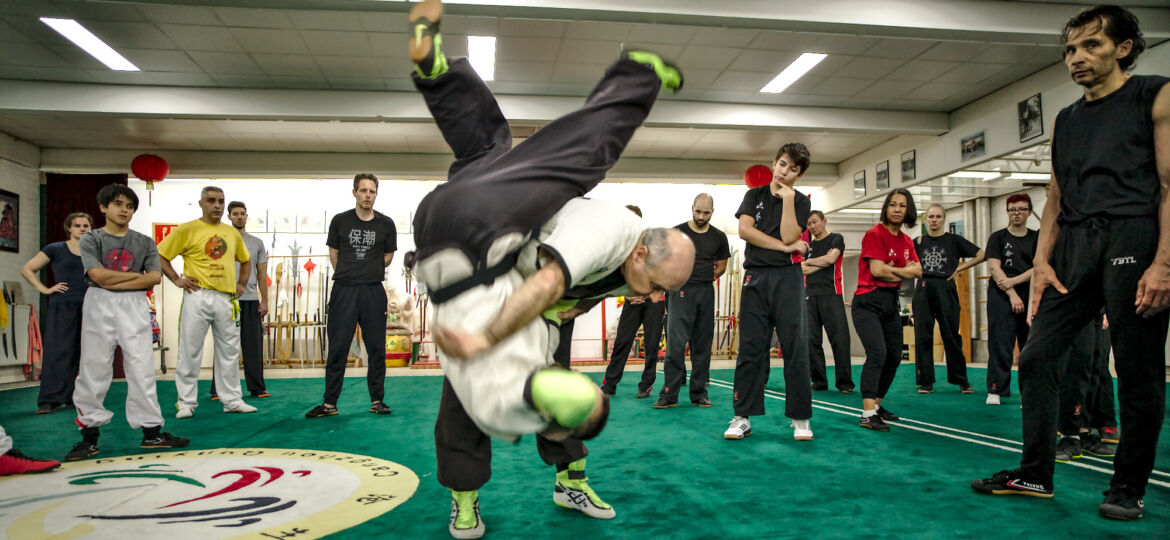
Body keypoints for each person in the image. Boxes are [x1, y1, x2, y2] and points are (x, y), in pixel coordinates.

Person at [401, 2, 687, 537]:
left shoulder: (626, 265)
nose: (651, 298)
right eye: (656, 287)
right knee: (581, 155)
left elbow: (562, 293)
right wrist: (485, 336)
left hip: (470, 238)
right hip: (485, 253)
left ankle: (439, 73)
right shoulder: (609, 228)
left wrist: (559, 311)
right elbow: (549, 281)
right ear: (643, 254)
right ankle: (637, 75)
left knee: (489, 144)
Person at [971, 5, 1169, 521]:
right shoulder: (1066, 118)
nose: (1076, 58)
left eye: (1091, 46)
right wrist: (1041, 263)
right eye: (1070, 50)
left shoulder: (1155, 94)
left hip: (1135, 237)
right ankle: (1035, 472)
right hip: (1073, 249)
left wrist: (1164, 263)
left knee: (1136, 368)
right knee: (1036, 358)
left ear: (1123, 48)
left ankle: (1128, 486)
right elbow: (1056, 197)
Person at [66, 183, 188, 461]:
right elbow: (96, 276)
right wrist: (133, 278)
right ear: (103, 207)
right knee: (93, 367)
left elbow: (154, 278)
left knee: (142, 367)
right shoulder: (91, 239)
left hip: (134, 304)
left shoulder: (144, 241)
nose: (124, 210)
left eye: (130, 206)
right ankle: (89, 437)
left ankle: (151, 432)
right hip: (99, 302)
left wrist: (114, 278)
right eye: (118, 204)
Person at [724, 143, 815, 442]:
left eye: (792, 169)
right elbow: (746, 231)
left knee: (795, 348)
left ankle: (800, 418)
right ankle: (743, 417)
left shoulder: (800, 202)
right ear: (774, 163)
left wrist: (788, 201)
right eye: (782, 164)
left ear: (798, 175)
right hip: (756, 277)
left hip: (788, 279)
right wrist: (784, 248)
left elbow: (791, 234)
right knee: (751, 349)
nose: (785, 171)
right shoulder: (754, 195)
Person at [158, 186, 257, 418]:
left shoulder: (231, 233)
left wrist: (242, 284)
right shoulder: (187, 229)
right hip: (197, 295)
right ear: (201, 203)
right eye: (211, 201)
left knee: (230, 351)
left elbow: (245, 261)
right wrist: (176, 279)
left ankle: (232, 399)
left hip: (226, 298)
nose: (217, 205)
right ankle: (186, 402)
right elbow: (160, 255)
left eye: (221, 201)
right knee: (190, 350)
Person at [304, 173, 397, 418]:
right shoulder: (340, 221)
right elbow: (334, 254)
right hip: (344, 290)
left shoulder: (386, 224)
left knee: (376, 348)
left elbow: (388, 257)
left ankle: (377, 400)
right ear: (354, 192)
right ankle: (329, 404)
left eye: (372, 191)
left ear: (376, 194)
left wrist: (368, 271)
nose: (368, 195)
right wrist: (351, 274)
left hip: (373, 291)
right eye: (363, 190)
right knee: (338, 347)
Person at [853, 189, 921, 432]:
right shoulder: (874, 234)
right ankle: (867, 413)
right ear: (886, 208)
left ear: (908, 210)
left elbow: (918, 271)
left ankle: (877, 405)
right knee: (878, 354)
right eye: (892, 204)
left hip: (890, 300)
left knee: (894, 355)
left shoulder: (906, 241)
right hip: (867, 301)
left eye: (902, 205)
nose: (897, 209)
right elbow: (877, 271)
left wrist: (894, 270)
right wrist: (904, 270)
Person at [655, 193, 729, 409]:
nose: (701, 216)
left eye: (706, 213)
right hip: (680, 292)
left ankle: (699, 394)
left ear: (712, 212)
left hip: (706, 292)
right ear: (692, 208)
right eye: (698, 211)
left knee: (703, 346)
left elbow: (722, 266)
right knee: (676, 346)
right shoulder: (677, 232)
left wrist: (707, 278)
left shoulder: (719, 237)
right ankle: (669, 394)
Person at [21, 212, 92, 413]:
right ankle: (48, 399)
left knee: (83, 352)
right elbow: (27, 269)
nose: (82, 228)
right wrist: (45, 289)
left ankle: (72, 396)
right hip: (63, 305)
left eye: (86, 225)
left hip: (90, 306)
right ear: (69, 228)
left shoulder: (94, 250)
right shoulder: (55, 249)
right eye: (77, 225)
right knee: (57, 352)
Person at [912, 203, 984, 394]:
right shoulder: (918, 241)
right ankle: (925, 382)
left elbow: (981, 254)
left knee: (951, 336)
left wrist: (959, 268)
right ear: (926, 219)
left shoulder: (954, 240)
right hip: (923, 289)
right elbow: (905, 262)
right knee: (923, 337)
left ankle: (961, 380)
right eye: (931, 217)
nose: (934, 220)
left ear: (944, 218)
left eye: (938, 217)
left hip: (946, 288)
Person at [600, 205, 666, 399]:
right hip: (632, 300)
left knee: (652, 344)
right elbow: (616, 275)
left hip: (653, 299)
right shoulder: (620, 246)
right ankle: (610, 384)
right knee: (622, 342)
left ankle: (646, 386)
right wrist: (627, 293)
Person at [210, 201, 270, 399]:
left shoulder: (256, 243)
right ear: (229, 216)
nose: (239, 217)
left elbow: (262, 274)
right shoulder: (219, 240)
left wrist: (265, 301)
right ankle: (218, 388)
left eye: (242, 214)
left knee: (252, 344)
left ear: (246, 216)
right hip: (226, 299)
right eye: (235, 214)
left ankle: (257, 387)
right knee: (224, 344)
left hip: (251, 299)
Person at [983, 194, 1038, 405]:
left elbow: (1038, 266)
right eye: (1012, 209)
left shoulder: (1036, 238)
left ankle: (1030, 392)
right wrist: (1011, 291)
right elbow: (994, 267)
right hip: (1001, 293)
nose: (1017, 213)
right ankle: (996, 388)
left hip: (1030, 293)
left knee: (1030, 345)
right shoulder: (998, 238)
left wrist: (1015, 281)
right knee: (1000, 343)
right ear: (1007, 212)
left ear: (1029, 212)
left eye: (1022, 209)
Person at [802, 210, 853, 393]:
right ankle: (819, 382)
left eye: (815, 222)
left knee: (839, 340)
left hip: (832, 294)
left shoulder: (836, 239)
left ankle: (844, 383)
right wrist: (820, 262)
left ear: (824, 221)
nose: (812, 227)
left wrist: (811, 262)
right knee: (811, 341)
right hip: (810, 297)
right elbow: (803, 270)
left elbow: (832, 259)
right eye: (809, 224)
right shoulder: (808, 247)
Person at [1054, 313, 1117, 462]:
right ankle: (1069, 435)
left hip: (1096, 307)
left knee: (1097, 366)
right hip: (1073, 304)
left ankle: (1083, 433)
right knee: (1076, 365)